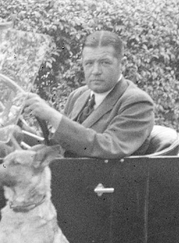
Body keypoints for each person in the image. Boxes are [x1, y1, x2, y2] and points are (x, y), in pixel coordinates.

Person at [17, 30, 156, 158]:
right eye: (89, 63)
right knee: (7, 141)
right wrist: (21, 126)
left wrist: (52, 116)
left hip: (100, 181)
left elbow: (109, 146)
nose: (96, 70)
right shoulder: (78, 95)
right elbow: (59, 147)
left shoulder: (137, 102)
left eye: (105, 63)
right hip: (69, 174)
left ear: (122, 64)